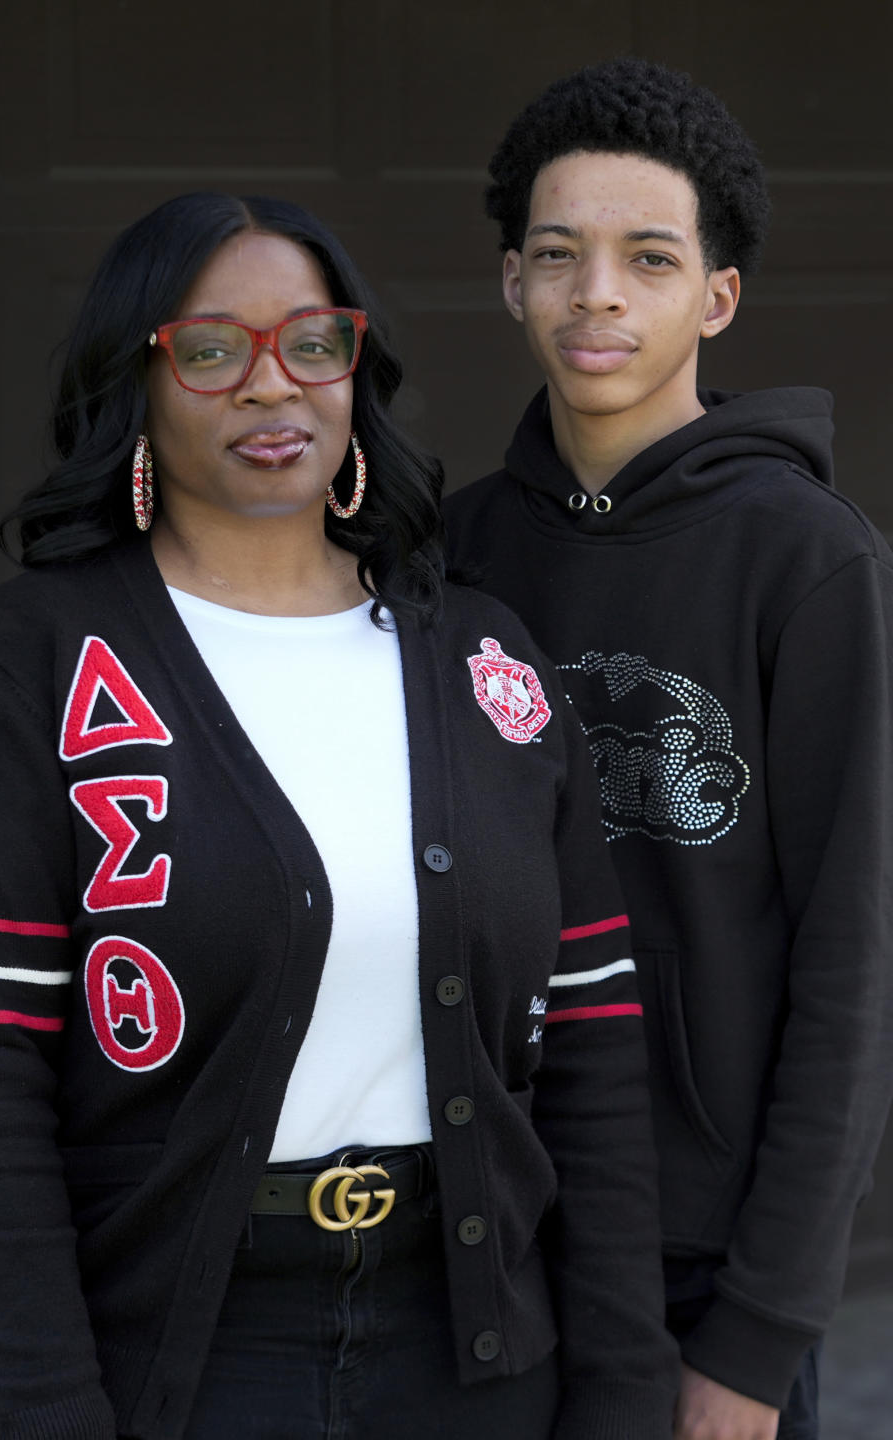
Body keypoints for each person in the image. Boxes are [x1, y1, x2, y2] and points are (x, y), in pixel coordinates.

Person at [0, 192, 677, 1440]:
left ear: (355, 371)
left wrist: (623, 1383)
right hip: (172, 1358)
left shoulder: (483, 662)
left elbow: (593, 1046)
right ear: (140, 383)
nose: (272, 386)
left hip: (476, 1353)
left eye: (312, 343)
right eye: (213, 349)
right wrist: (40, 1405)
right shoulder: (38, 659)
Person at [444, 56, 893, 1440]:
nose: (599, 297)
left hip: (707, 1268)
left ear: (717, 296)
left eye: (648, 259)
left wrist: (761, 1338)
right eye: (560, 256)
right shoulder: (459, 556)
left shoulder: (806, 561)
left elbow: (851, 963)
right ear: (513, 280)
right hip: (497, 1237)